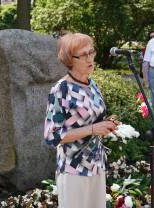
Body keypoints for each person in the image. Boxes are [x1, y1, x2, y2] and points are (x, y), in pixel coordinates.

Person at [44, 33, 118, 208]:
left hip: (97, 165)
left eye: (91, 52)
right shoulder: (61, 89)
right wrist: (93, 129)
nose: (90, 58)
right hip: (73, 169)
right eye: (83, 55)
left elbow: (93, 121)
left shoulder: (92, 84)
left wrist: (106, 125)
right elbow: (52, 136)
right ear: (70, 59)